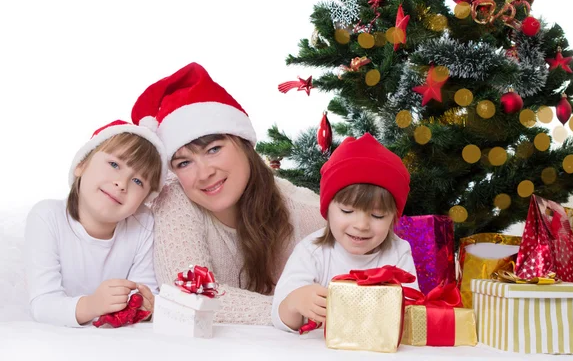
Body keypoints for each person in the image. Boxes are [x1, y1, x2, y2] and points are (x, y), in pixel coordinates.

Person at [131, 62, 325, 325]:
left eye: (213, 149)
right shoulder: (175, 198)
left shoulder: (302, 209)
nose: (204, 173)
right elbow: (186, 294)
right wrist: (285, 309)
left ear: (244, 144)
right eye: (184, 163)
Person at [25, 120, 168, 327]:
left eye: (138, 181)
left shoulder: (143, 225)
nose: (121, 183)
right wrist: (92, 305)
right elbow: (42, 303)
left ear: (144, 201)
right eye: (114, 164)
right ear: (81, 165)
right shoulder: (47, 217)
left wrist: (144, 307)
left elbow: (144, 291)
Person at [271, 133, 419, 332]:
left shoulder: (398, 252)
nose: (361, 225)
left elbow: (410, 312)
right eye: (347, 211)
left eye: (377, 215)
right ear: (327, 210)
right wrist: (296, 302)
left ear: (393, 218)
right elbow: (280, 317)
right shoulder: (312, 251)